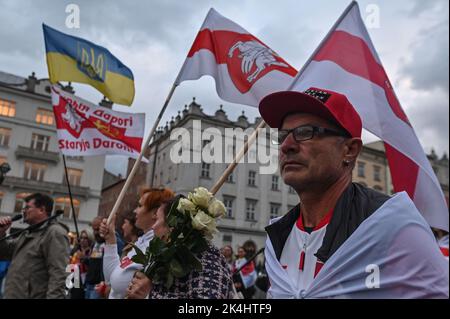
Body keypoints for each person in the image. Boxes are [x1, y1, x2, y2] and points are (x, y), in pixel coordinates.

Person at [258, 88, 449, 298]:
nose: (286, 146)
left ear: (349, 150)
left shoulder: (392, 224)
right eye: (283, 135)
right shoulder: (278, 235)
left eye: (305, 133)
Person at [126, 196, 234, 299]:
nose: (153, 227)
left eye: (157, 220)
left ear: (173, 226)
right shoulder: (165, 256)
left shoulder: (206, 257)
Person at [100, 188, 174, 299]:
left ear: (155, 213)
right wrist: (110, 239)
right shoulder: (141, 242)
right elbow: (111, 279)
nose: (135, 211)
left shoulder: (158, 248)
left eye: (140, 206)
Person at [0, 193, 70, 299]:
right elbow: (5, 253)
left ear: (42, 210)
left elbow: (59, 274)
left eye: (28, 207)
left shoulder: (54, 233)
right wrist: (1, 233)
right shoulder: (28, 233)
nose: (23, 211)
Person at [68, 229, 93, 299]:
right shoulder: (75, 250)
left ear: (89, 239)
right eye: (81, 238)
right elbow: (69, 268)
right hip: (75, 280)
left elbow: (92, 266)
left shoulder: (92, 251)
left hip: (86, 282)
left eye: (85, 238)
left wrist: (83, 258)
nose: (82, 240)